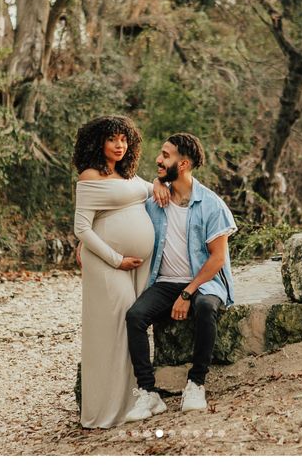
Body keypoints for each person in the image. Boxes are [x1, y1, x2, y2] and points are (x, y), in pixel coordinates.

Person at [125, 132, 237, 422]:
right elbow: (119, 203)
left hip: (204, 282)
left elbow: (217, 259)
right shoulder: (155, 199)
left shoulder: (211, 204)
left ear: (183, 163)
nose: (158, 160)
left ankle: (196, 384)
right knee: (135, 316)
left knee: (205, 307)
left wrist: (187, 293)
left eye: (166, 155)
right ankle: (148, 393)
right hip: (164, 283)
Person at [73, 115, 169, 429]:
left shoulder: (128, 175)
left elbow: (148, 188)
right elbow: (82, 228)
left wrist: (155, 183)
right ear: (98, 142)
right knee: (112, 330)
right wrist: (116, 259)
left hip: (135, 267)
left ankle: (136, 398)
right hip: (108, 265)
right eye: (113, 139)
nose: (119, 145)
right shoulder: (90, 176)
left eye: (124, 139)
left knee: (132, 325)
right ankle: (106, 411)